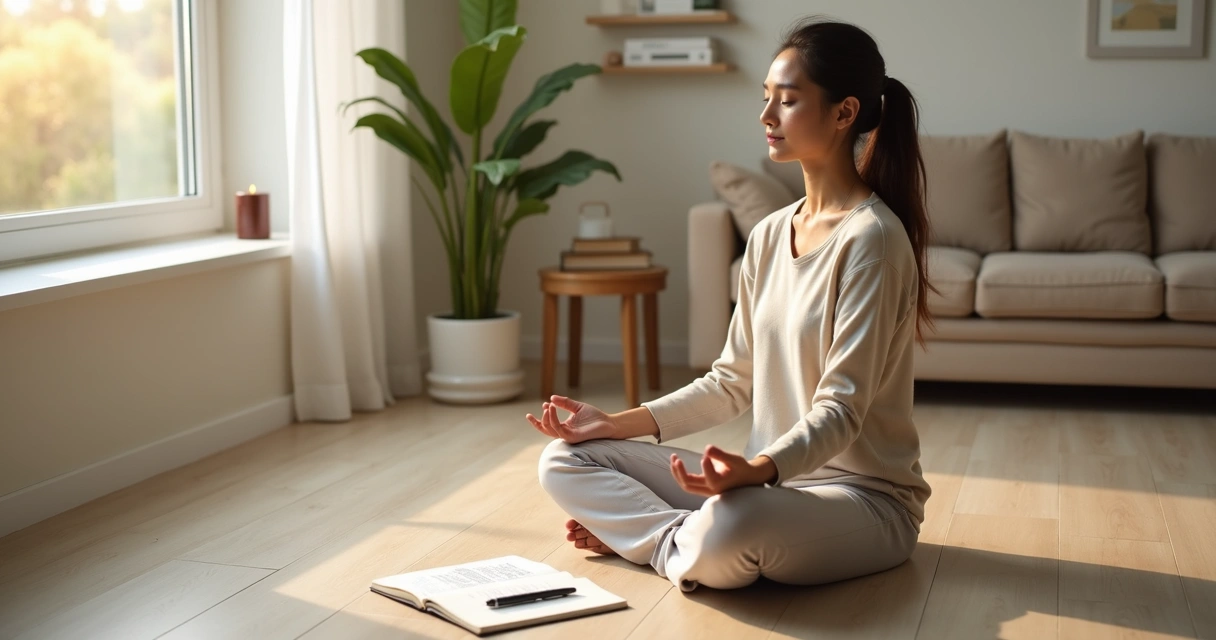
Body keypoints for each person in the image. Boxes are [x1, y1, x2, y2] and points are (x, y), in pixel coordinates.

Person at [528, 17, 936, 592]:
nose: (767, 116)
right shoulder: (770, 234)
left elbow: (842, 411)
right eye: (766, 98)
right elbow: (730, 382)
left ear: (845, 113)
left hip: (862, 501)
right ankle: (683, 543)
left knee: (731, 523)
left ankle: (663, 540)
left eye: (788, 101)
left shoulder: (873, 240)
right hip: (762, 486)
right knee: (566, 461)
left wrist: (759, 470)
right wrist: (613, 423)